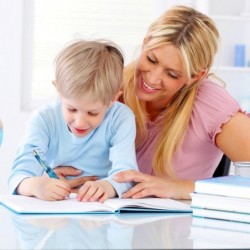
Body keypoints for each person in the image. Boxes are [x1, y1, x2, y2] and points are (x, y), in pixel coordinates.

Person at [53, 5, 250, 200]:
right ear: (145, 42)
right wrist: (52, 174)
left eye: (172, 74)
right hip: (97, 221)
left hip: (175, 228)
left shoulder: (210, 105)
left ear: (196, 76)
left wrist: (180, 188)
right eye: (151, 59)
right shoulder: (109, 86)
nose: (153, 79)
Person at [8, 39, 138, 202]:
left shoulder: (121, 118)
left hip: (101, 212)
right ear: (58, 90)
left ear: (113, 99)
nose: (80, 122)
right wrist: (36, 186)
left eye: (92, 113)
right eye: (72, 109)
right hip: (58, 211)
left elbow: (127, 175)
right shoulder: (44, 119)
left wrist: (107, 186)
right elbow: (17, 176)